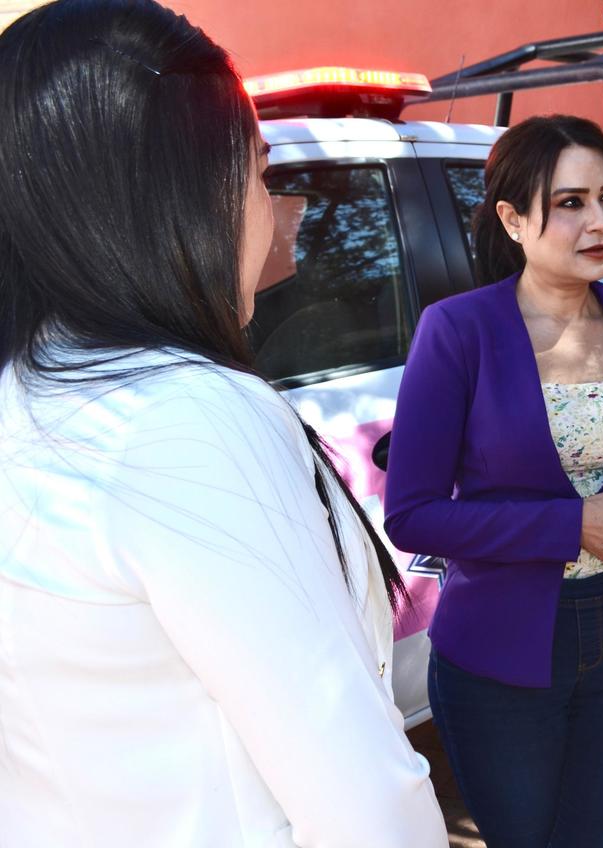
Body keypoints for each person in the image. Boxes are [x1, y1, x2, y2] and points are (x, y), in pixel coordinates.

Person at [0, 2, 448, 846]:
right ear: (179, 195)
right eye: (259, 175)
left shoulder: (31, 389)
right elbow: (363, 805)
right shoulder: (184, 416)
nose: (275, 219)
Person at [383, 115, 603, 848]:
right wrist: (574, 525)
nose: (601, 221)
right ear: (513, 219)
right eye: (570, 203)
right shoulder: (457, 331)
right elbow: (412, 515)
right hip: (500, 652)